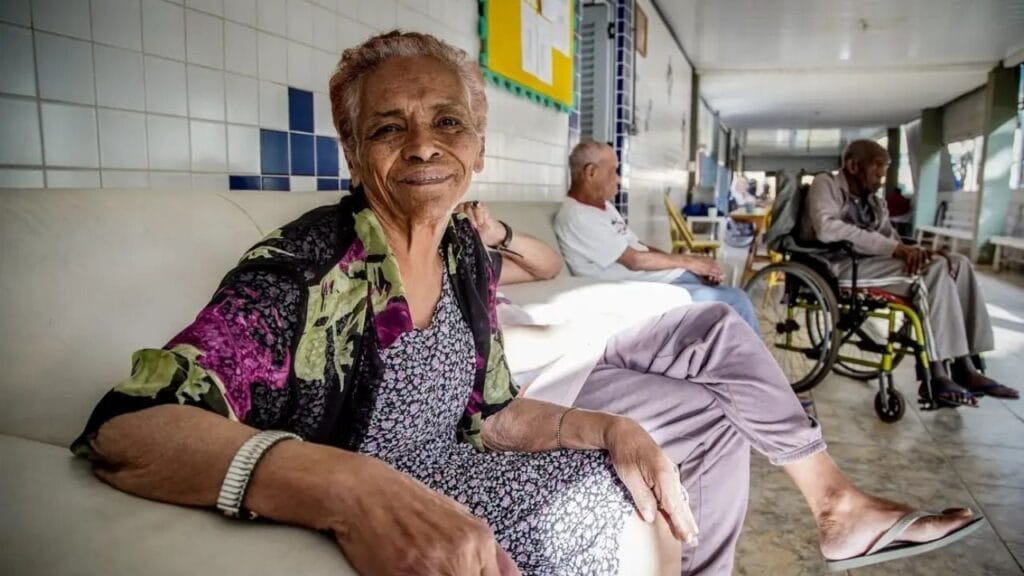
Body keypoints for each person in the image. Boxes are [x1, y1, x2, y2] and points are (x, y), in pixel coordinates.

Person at [69, 32, 980, 576]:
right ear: (353, 151)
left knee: (650, 464)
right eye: (388, 126)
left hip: (456, 463)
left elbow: (492, 410)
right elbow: (129, 428)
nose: (423, 145)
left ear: (477, 143)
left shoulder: (465, 251)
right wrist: (350, 489)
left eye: (447, 121)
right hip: (386, 483)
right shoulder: (307, 265)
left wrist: (608, 428)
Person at [462, 200, 983, 574]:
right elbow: (470, 357)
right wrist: (577, 330)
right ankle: (837, 506)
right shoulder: (413, 270)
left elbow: (546, 265)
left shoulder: (454, 244)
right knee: (711, 360)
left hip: (552, 352)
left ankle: (835, 504)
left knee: (715, 346)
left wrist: (495, 232)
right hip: (519, 379)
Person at [799, 139, 1018, 404]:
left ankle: (966, 365)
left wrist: (920, 251)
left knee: (957, 263)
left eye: (885, 168)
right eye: (876, 166)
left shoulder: (874, 202)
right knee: (932, 274)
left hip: (870, 264)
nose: (882, 175)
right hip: (836, 266)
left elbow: (891, 239)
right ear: (853, 165)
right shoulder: (826, 184)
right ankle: (936, 374)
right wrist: (895, 249)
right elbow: (827, 229)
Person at [553, 140, 759, 331]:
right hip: (638, 292)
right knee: (737, 300)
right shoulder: (578, 216)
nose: (618, 179)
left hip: (658, 279)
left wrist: (686, 265)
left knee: (723, 291)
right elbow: (635, 260)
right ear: (591, 172)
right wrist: (689, 262)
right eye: (613, 171)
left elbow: (640, 246)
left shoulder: (603, 208)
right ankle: (752, 359)